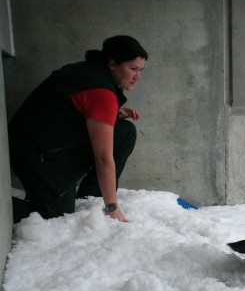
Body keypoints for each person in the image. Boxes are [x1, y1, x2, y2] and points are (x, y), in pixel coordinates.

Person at [8, 35, 148, 223]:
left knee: (124, 132)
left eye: (140, 70)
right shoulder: (101, 92)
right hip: (33, 154)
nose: (137, 77)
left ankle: (91, 198)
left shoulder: (91, 72)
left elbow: (69, 111)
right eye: (132, 69)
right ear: (113, 64)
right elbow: (103, 158)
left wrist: (112, 115)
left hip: (44, 143)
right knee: (54, 216)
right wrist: (112, 206)